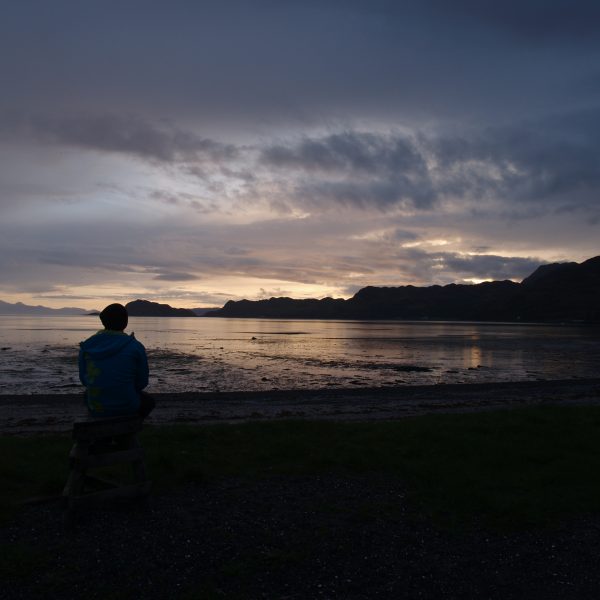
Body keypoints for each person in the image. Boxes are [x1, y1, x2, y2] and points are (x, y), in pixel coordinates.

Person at [78, 303, 155, 418]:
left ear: (103, 321)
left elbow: (84, 380)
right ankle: (134, 425)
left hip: (96, 407)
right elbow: (142, 382)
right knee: (149, 401)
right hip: (128, 406)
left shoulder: (87, 346)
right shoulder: (135, 346)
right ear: (126, 322)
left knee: (87, 394)